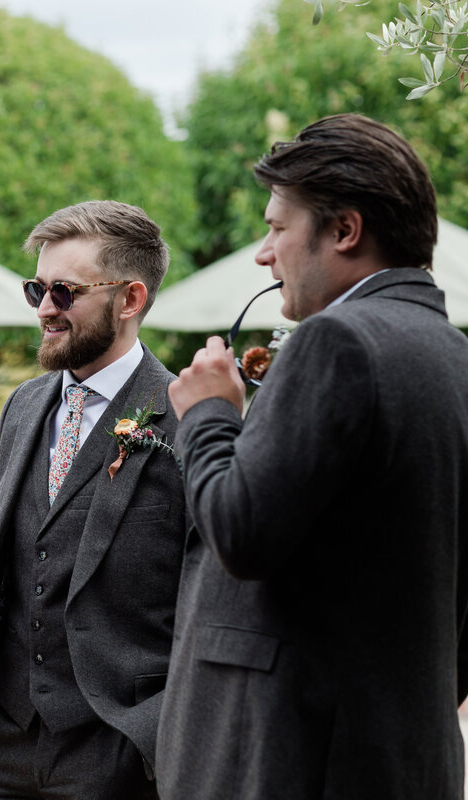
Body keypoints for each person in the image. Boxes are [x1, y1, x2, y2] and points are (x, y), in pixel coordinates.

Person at [157, 113, 468, 799]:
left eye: (276, 228)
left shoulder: (339, 343)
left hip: (297, 761)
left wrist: (209, 412)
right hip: (407, 761)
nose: (264, 255)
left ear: (345, 230)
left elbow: (241, 533)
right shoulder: (456, 357)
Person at [0, 200, 187, 799]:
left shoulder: (188, 415)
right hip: (5, 736)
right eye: (37, 290)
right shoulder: (23, 407)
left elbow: (215, 590)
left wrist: (154, 733)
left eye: (66, 292)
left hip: (119, 746)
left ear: (130, 300)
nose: (46, 309)